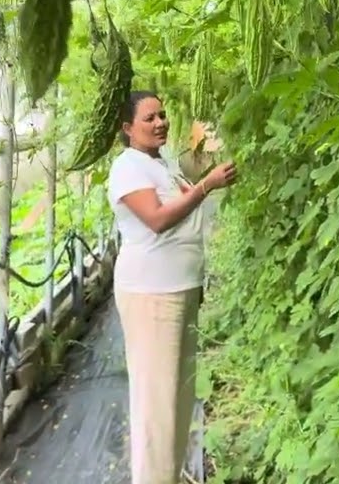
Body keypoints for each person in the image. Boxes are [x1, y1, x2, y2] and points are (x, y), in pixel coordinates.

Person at [108, 90, 237, 484]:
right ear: (128, 128)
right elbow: (158, 219)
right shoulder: (128, 167)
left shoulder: (161, 164)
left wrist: (200, 172)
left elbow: (185, 214)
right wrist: (207, 185)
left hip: (179, 288)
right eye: (149, 118)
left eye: (163, 115)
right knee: (156, 404)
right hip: (151, 295)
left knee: (179, 397)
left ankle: (171, 476)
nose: (161, 122)